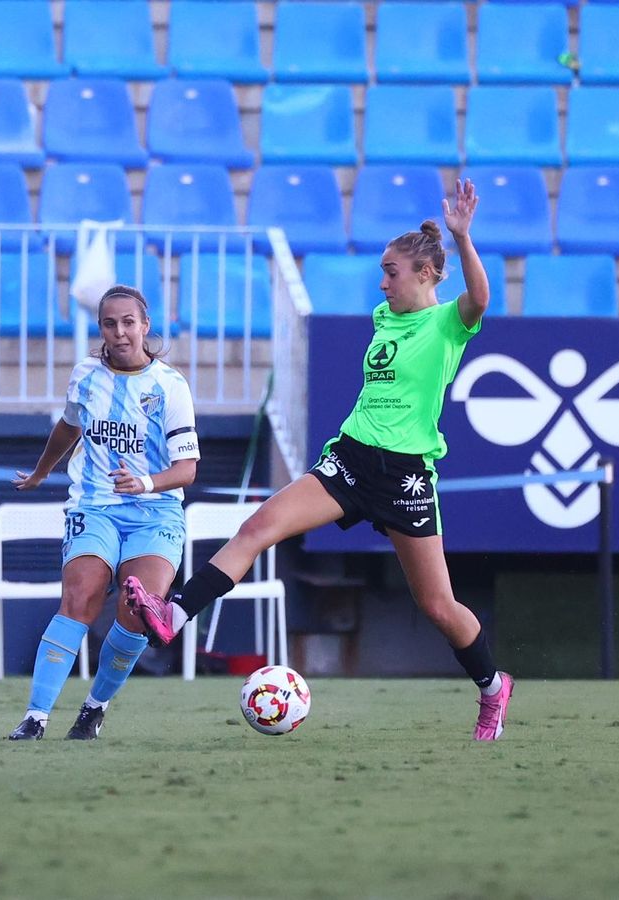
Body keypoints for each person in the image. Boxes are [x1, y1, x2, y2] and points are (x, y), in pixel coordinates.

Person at [127, 180, 517, 740]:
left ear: (428, 275)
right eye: (382, 272)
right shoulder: (386, 321)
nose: (383, 283)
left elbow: (480, 298)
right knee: (258, 526)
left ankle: (491, 687)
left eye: (393, 272)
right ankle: (175, 613)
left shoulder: (447, 323)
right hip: (350, 459)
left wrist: (462, 237)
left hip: (406, 476)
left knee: (437, 605)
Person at [6, 284, 199, 741]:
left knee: (137, 612)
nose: (120, 332)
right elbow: (69, 426)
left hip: (155, 512)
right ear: (102, 330)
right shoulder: (86, 376)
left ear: (145, 326)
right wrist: (40, 472)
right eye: (110, 324)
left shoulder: (169, 386)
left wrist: (146, 482)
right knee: (81, 597)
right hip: (95, 506)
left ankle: (93, 709)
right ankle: (36, 717)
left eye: (128, 322)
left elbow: (187, 469)